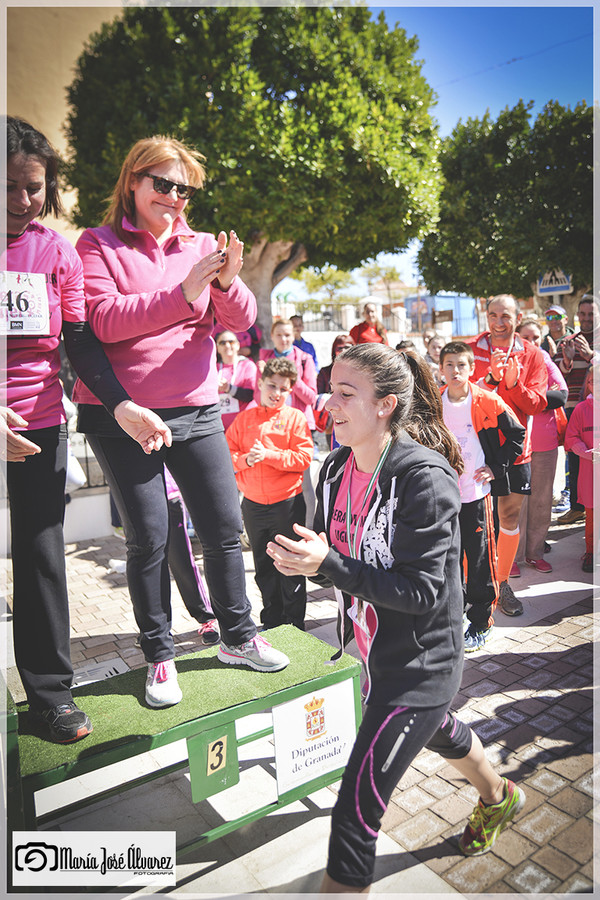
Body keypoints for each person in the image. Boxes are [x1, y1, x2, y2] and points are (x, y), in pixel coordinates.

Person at [266, 344, 525, 891]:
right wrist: (307, 562)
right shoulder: (335, 468)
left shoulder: (422, 478)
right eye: (329, 389)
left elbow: (424, 592)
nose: (326, 404)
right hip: (373, 654)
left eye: (345, 394)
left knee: (353, 818)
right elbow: (339, 558)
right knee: (438, 730)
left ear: (385, 405)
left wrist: (331, 565)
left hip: (422, 664)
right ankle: (500, 797)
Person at [72, 135, 289, 710]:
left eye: (183, 188)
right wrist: (184, 292)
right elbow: (103, 322)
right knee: (149, 538)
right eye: (163, 184)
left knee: (222, 528)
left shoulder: (199, 243)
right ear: (133, 183)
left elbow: (238, 322)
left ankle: (238, 638)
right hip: (121, 416)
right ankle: (160, 654)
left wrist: (223, 281)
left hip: (196, 409)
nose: (174, 197)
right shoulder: (97, 244)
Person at [2, 116, 172, 742]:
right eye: (9, 186)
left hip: (40, 425)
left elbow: (78, 341)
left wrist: (120, 403)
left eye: (34, 187)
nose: (23, 201)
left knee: (43, 559)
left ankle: (50, 697)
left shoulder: (55, 253)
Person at [439, 342, 525, 651]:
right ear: (441, 369)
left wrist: (495, 466)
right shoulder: (436, 402)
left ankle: (481, 621)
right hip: (444, 495)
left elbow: (517, 434)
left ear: (471, 368)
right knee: (450, 558)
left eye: (461, 365)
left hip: (475, 494)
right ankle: (456, 614)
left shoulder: (488, 400)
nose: (455, 371)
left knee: (479, 560)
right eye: (449, 365)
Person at [467, 295, 548, 617]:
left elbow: (537, 405)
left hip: (515, 450)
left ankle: (502, 584)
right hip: (474, 450)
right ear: (485, 317)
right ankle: (475, 586)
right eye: (493, 315)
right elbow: (457, 393)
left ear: (518, 317)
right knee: (474, 521)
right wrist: (489, 381)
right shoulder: (471, 350)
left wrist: (513, 386)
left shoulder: (532, 354)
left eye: (506, 316)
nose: (499, 322)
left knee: (509, 518)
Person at [226, 358, 313, 630]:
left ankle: (296, 625)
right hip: (253, 505)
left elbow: (304, 457)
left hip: (286, 504)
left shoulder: (295, 418)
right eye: (271, 385)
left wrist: (270, 456)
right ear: (260, 384)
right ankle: (272, 624)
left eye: (283, 389)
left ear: (290, 391)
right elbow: (226, 457)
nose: (276, 392)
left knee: (291, 566)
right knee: (264, 568)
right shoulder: (244, 419)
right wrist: (246, 461)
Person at [513, 318, 567, 576]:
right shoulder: (512, 361)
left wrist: (527, 398)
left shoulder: (545, 359)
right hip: (517, 444)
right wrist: (540, 396)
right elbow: (507, 394)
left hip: (545, 442)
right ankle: (512, 557)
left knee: (542, 501)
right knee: (515, 503)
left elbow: (562, 395)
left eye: (537, 338)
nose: (533, 343)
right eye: (528, 337)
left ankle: (534, 554)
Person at [554, 294, 600, 525]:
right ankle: (577, 506)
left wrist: (592, 357)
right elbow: (554, 376)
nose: (586, 319)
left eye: (591, 314)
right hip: (574, 410)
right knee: (575, 457)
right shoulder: (569, 341)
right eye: (582, 314)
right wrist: (568, 360)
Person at [565, 364, 597, 573]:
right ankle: (591, 552)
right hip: (591, 473)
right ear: (589, 384)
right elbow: (571, 437)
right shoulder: (581, 409)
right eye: (596, 381)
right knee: (593, 516)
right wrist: (586, 452)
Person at [216, 329, 258, 431]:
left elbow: (250, 395)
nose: (227, 345)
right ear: (217, 348)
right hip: (219, 429)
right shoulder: (212, 368)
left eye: (231, 342)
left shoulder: (248, 365)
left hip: (243, 427)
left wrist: (228, 388)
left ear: (238, 345)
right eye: (222, 343)